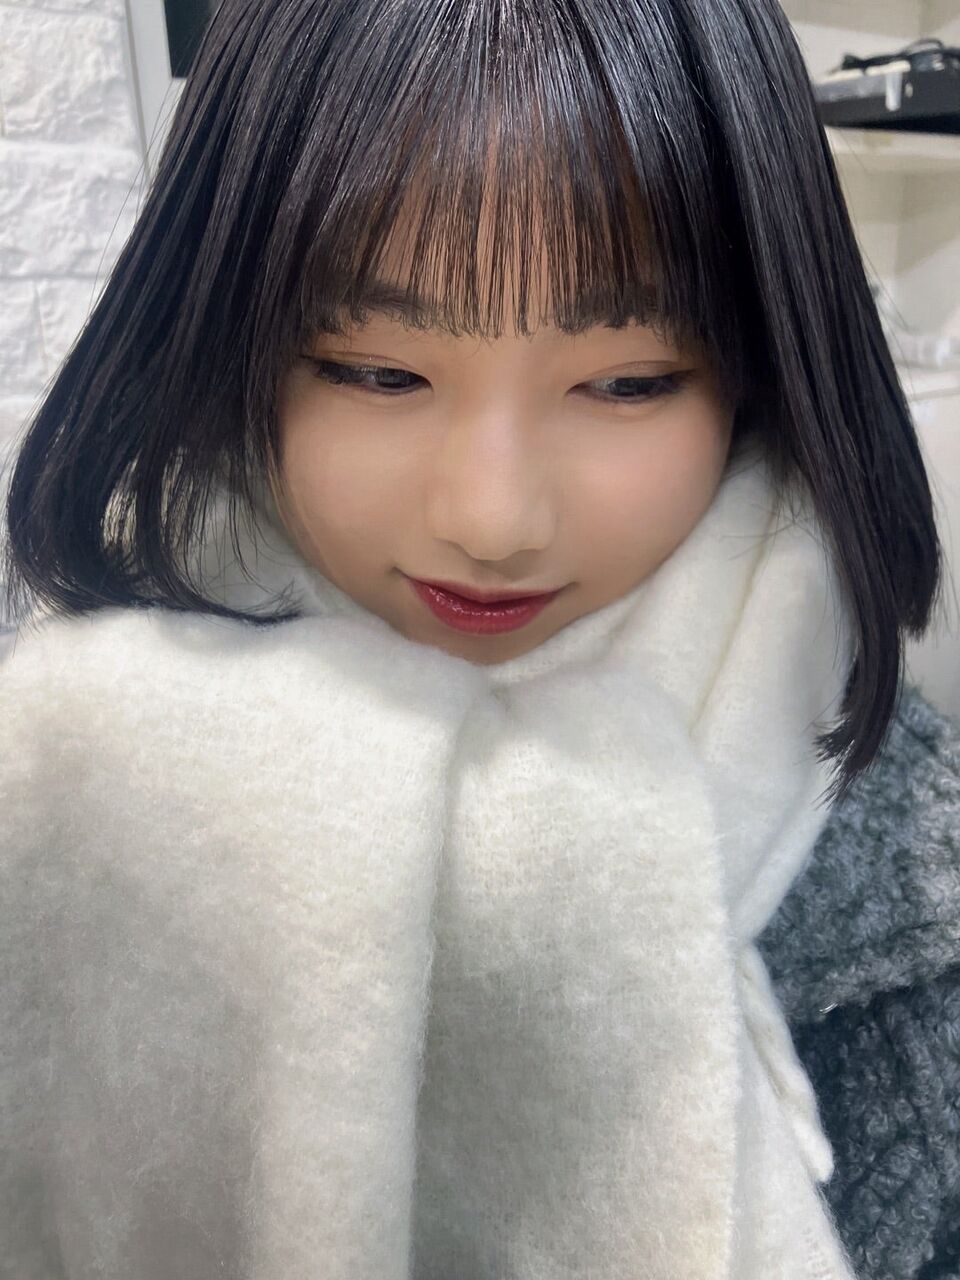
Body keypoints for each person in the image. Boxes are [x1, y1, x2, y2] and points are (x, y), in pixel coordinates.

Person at [0, 0, 955, 1276]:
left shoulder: (924, 867)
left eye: (629, 382)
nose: (492, 520)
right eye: (374, 371)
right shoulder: (64, 767)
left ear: (763, 371)